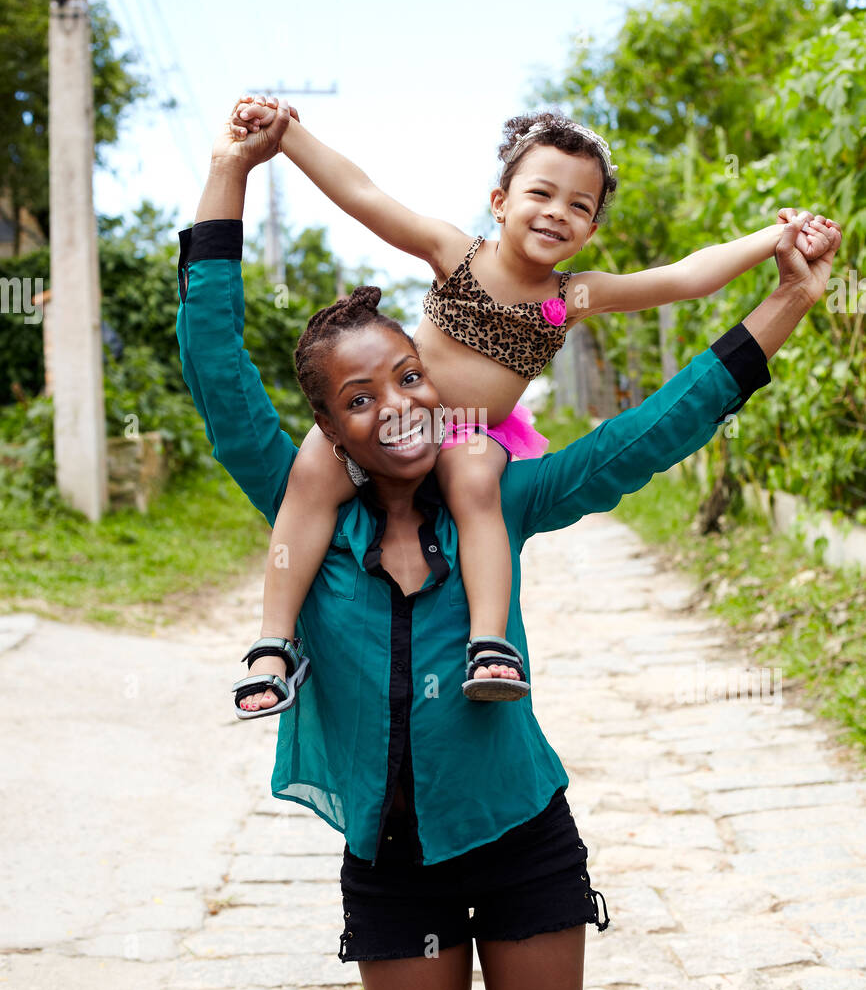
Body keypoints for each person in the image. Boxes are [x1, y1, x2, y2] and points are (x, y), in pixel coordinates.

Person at [175, 101, 839, 990]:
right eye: (359, 398)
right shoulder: (305, 500)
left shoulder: (500, 493)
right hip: (391, 868)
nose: (402, 403)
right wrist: (234, 168)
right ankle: (272, 644)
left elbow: (654, 427)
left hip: (523, 843)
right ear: (328, 422)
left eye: (408, 377)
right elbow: (216, 360)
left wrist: (783, 292)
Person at [227, 94, 838, 714]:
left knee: (473, 480)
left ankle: (489, 645)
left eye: (579, 206)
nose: (556, 214)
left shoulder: (574, 296)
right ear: (501, 202)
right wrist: (287, 138)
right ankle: (274, 643)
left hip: (467, 431)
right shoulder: (453, 253)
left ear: (592, 230)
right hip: (394, 420)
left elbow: (684, 276)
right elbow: (364, 194)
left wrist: (776, 237)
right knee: (311, 470)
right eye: (540, 194)